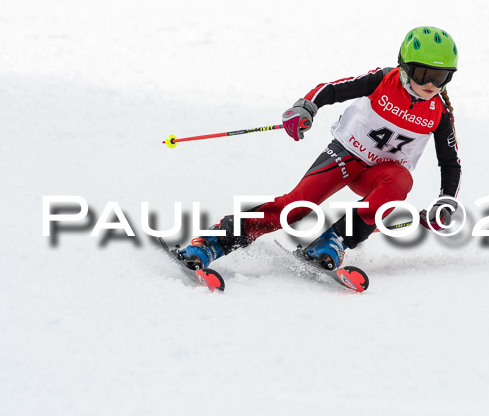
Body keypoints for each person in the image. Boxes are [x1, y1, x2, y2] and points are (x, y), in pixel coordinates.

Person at [173, 26, 462, 271]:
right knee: (296, 207)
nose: (431, 84)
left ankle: (334, 241)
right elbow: (332, 89)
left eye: (441, 77)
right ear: (404, 67)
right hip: (346, 155)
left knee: (401, 180)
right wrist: (306, 108)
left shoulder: (439, 114)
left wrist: (445, 201)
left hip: (380, 175)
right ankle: (212, 241)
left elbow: (451, 163)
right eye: (423, 73)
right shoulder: (383, 81)